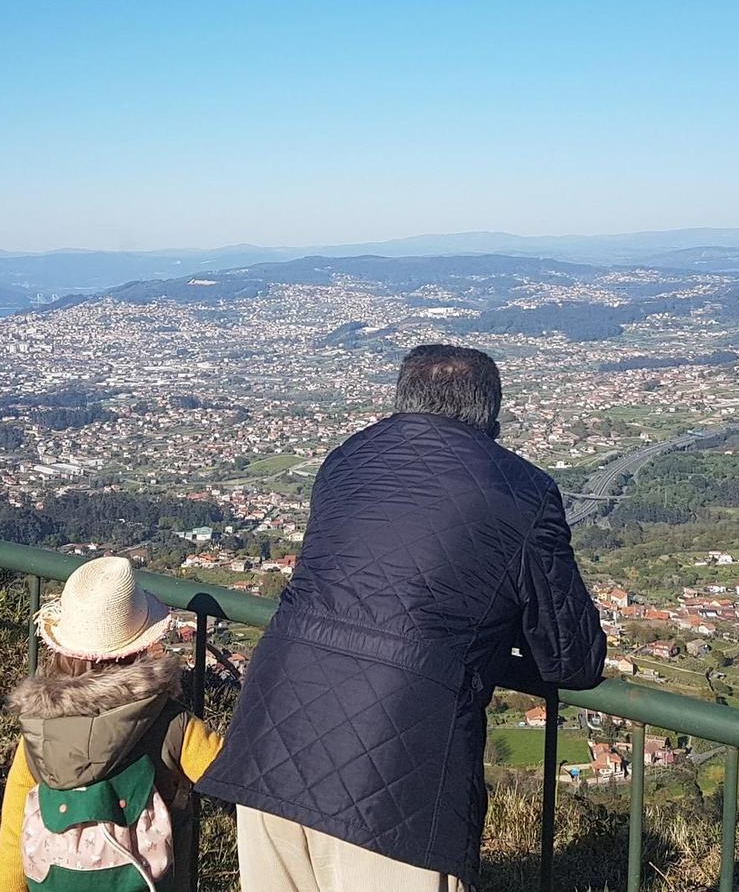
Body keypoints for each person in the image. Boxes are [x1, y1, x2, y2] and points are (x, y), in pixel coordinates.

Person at [199, 344, 607, 892]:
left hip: (274, 731)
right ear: (490, 412)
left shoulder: (347, 459)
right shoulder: (524, 491)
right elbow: (570, 658)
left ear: (402, 399)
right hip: (401, 763)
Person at [0, 556, 224, 892]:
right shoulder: (173, 724)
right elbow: (232, 779)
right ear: (141, 644)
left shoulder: (40, 729)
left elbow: (15, 826)